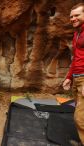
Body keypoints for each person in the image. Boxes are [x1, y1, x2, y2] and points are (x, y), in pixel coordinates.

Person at [63, 3, 84, 145]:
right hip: (77, 78)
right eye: (71, 16)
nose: (73, 18)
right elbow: (76, 58)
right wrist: (69, 77)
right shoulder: (77, 34)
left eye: (77, 15)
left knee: (80, 118)